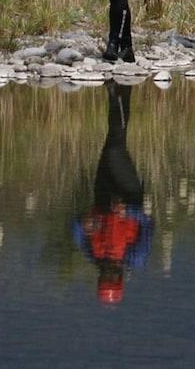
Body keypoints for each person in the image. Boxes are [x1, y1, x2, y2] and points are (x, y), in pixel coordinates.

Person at [72, 81, 153, 304]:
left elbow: (76, 228)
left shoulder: (93, 255)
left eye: (104, 277)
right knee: (115, 148)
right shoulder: (135, 258)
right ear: (119, 279)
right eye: (111, 277)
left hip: (102, 194)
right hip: (129, 194)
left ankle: (124, 89)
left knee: (115, 139)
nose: (108, 272)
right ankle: (112, 93)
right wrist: (128, 212)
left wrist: (85, 222)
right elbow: (148, 223)